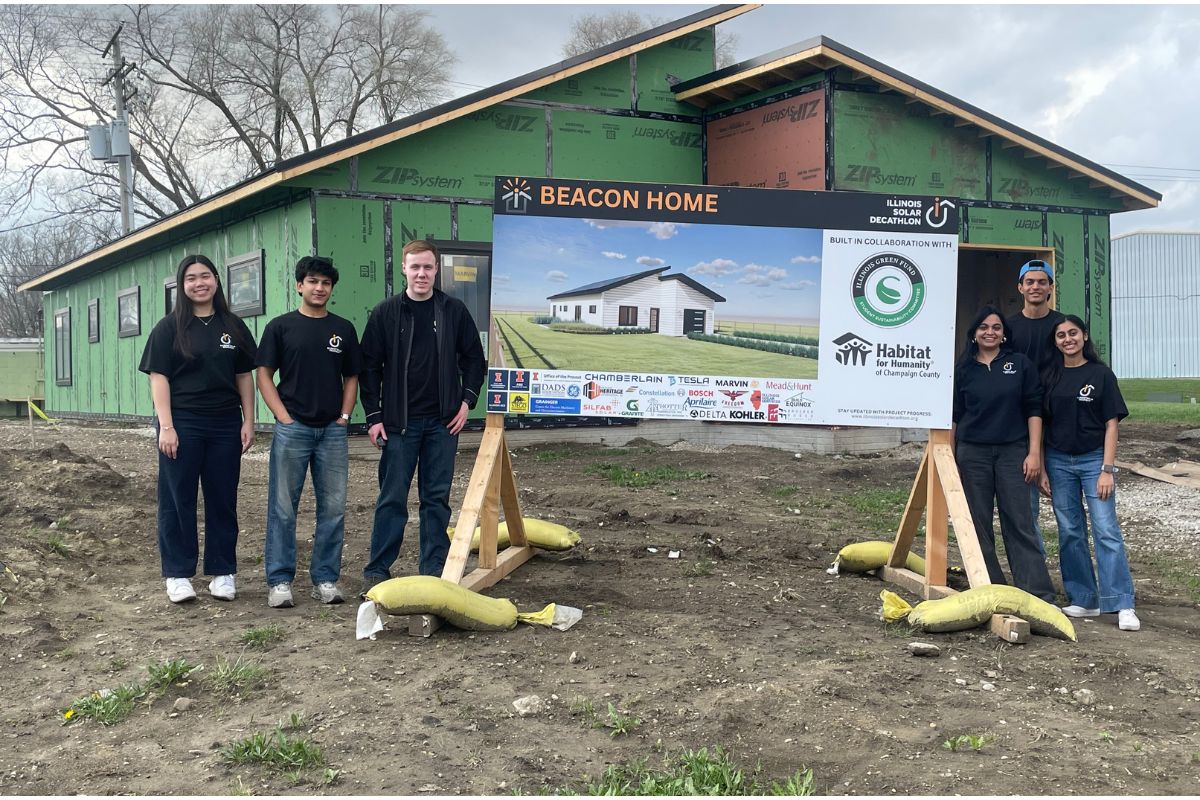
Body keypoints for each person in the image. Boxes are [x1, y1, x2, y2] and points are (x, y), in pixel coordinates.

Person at [359, 240, 486, 593]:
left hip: (443, 424)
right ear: (403, 268)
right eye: (414, 267)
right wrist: (373, 416)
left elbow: (474, 359)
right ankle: (377, 569)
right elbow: (368, 367)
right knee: (392, 497)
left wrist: (467, 402)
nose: (421, 274)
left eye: (428, 267)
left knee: (436, 499)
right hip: (398, 424)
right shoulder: (385, 313)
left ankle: (433, 571)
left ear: (436, 270)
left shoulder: (453, 311)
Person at [139, 255, 256, 604]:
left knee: (223, 499)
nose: (199, 283)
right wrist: (166, 426)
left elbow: (244, 376)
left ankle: (223, 572)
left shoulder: (233, 325)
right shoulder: (168, 328)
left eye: (205, 276)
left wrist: (248, 420)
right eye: (191, 278)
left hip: (225, 424)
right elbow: (158, 378)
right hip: (182, 423)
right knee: (178, 500)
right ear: (182, 285)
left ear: (216, 280)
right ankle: (178, 574)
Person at [256, 256, 362, 608]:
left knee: (333, 509)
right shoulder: (280, 327)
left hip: (332, 431)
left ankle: (325, 579)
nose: (319, 288)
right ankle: (280, 581)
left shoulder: (343, 329)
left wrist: (344, 416)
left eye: (326, 283)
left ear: (332, 289)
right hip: (293, 429)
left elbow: (352, 376)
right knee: (283, 508)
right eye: (313, 281)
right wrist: (282, 416)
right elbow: (263, 374)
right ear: (299, 285)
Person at [1039, 315, 1139, 631]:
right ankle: (1084, 599)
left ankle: (1122, 603)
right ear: (1055, 342)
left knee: (1106, 529)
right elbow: (1041, 424)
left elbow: (1111, 424)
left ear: (1084, 336)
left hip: (1094, 460)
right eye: (1061, 335)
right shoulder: (1049, 375)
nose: (1067, 339)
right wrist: (1042, 467)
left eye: (1073, 333)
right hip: (1058, 460)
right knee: (1070, 530)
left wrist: (1107, 469)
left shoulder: (1101, 374)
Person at [952, 305, 1056, 602]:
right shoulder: (963, 369)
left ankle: (1037, 593)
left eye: (996, 327)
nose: (990, 332)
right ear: (974, 333)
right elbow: (954, 417)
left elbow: (1034, 409)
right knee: (978, 523)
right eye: (984, 327)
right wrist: (951, 459)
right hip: (973, 454)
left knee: (1020, 521)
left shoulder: (1019, 364)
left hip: (1013, 451)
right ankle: (990, 589)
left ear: (1004, 334)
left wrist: (1034, 454)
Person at [1007, 258, 1065, 551]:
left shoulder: (1063, 326)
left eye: (1042, 282)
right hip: (1022, 423)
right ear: (1020, 287)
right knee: (1027, 509)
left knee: (1067, 509)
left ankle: (1076, 573)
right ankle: (1034, 567)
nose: (1035, 287)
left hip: (1061, 423)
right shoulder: (1008, 328)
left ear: (1051, 287)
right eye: (1029, 282)